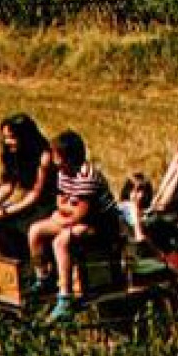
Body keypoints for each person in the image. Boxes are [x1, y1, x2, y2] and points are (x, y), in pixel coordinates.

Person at [26, 131, 122, 322]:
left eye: (57, 157)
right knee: (35, 230)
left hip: (101, 224)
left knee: (62, 241)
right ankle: (43, 278)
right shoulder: (63, 173)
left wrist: (64, 214)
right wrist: (67, 210)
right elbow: (60, 203)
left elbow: (81, 214)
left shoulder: (87, 176)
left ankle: (65, 297)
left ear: (69, 157)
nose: (54, 161)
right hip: (78, 219)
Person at [0, 114, 57, 261]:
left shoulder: (44, 157)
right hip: (29, 205)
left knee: (6, 223)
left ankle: (25, 260)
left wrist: (4, 213)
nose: (7, 142)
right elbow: (8, 186)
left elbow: (34, 196)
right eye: (5, 137)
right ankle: (9, 258)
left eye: (12, 137)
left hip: (46, 207)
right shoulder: (12, 153)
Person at [119, 172, 155, 239]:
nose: (134, 193)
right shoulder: (123, 207)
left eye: (138, 190)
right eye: (131, 189)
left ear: (145, 193)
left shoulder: (148, 212)